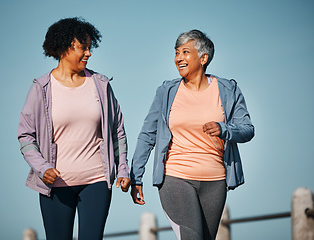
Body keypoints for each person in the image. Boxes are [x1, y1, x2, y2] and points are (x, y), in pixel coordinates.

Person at [130, 29, 254, 240]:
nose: (179, 58)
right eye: (177, 53)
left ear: (203, 58)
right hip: (176, 177)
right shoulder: (167, 92)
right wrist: (136, 176)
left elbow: (247, 130)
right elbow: (147, 135)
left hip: (215, 181)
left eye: (185, 52)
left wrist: (224, 129)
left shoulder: (227, 90)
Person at [18, 17, 131, 240]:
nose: (89, 53)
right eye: (83, 47)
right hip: (56, 185)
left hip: (96, 181)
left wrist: (123, 168)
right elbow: (26, 136)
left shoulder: (100, 84)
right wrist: (42, 168)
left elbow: (118, 129)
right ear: (64, 47)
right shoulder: (41, 89)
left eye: (90, 47)